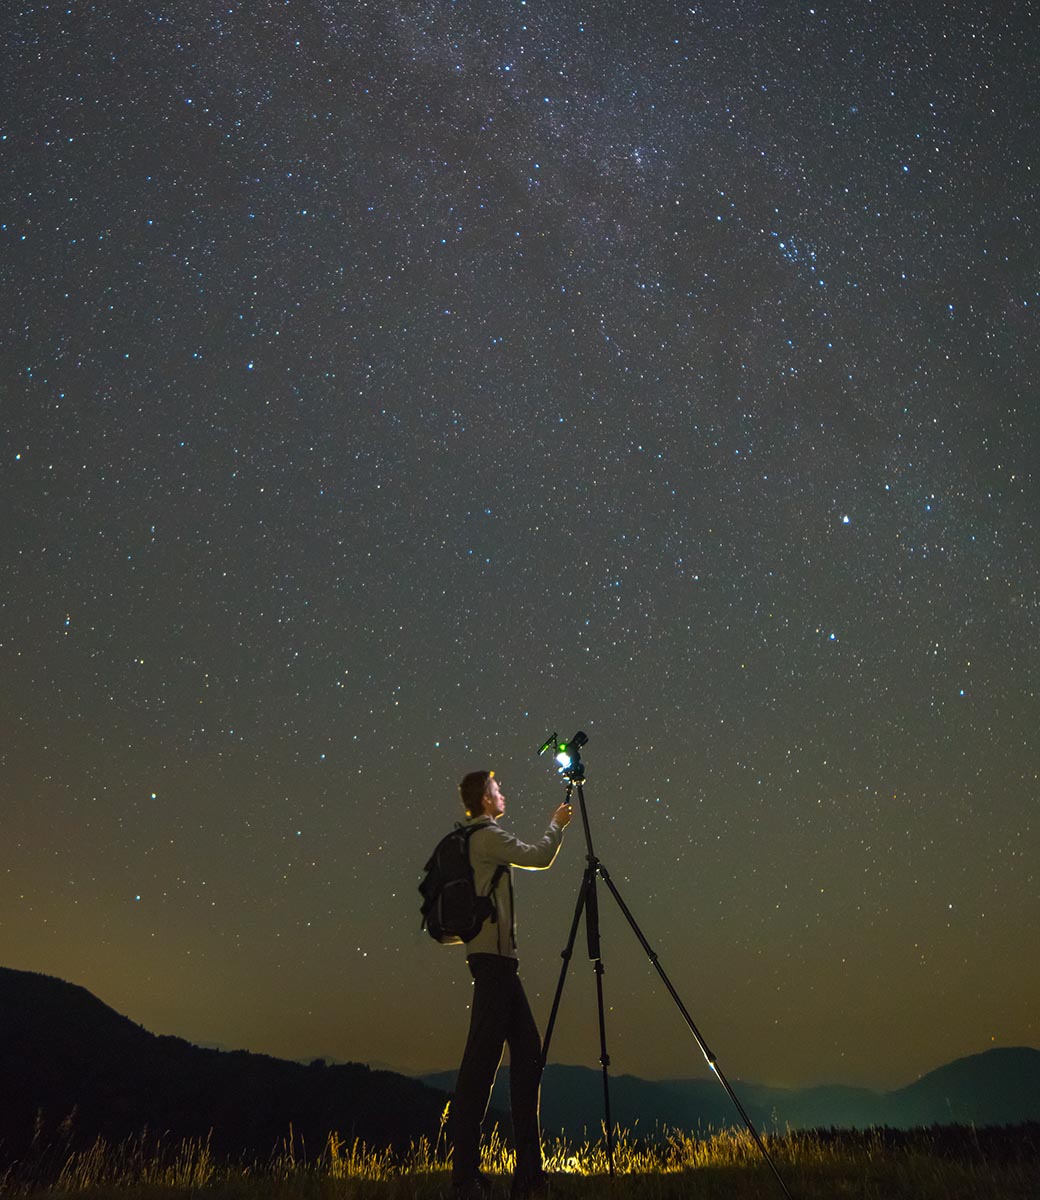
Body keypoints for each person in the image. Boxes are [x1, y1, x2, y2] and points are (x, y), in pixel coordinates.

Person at [451, 770, 572, 1200]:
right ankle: (467, 1174)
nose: (502, 794)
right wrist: (557, 824)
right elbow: (539, 856)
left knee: (525, 1057)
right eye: (497, 790)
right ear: (484, 800)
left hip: (498, 965)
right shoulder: (487, 836)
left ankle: (527, 1173)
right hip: (494, 965)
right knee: (481, 1069)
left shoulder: (476, 839)